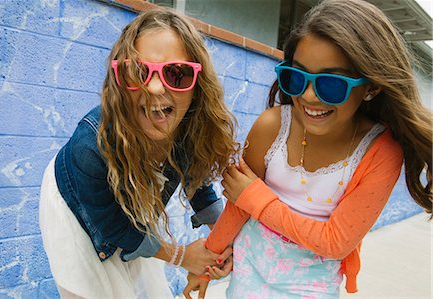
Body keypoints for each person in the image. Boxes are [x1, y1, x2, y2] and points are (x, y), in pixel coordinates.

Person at [184, 0, 432, 297]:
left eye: (331, 84)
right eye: (297, 77)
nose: (309, 96)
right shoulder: (271, 126)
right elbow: (238, 207)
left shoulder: (380, 152)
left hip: (311, 287)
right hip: (248, 271)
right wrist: (208, 260)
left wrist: (257, 200)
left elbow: (335, 242)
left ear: (371, 87)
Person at [39, 7, 237, 298]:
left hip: (130, 204)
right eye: (138, 72)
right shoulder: (90, 146)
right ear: (120, 81)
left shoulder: (188, 128)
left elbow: (200, 188)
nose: (155, 88)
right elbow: (115, 228)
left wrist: (226, 242)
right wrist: (183, 256)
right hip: (74, 205)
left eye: (176, 74)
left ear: (199, 85)